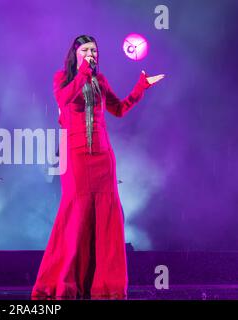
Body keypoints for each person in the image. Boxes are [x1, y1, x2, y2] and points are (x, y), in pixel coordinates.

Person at [32, 35, 164, 299]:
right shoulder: (63, 79)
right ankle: (66, 281)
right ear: (76, 53)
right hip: (77, 155)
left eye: (94, 49)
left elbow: (118, 109)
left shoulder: (100, 81)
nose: (92, 53)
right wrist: (83, 71)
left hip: (103, 156)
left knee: (106, 218)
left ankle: (105, 285)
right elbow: (65, 100)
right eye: (86, 49)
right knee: (77, 215)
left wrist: (141, 87)